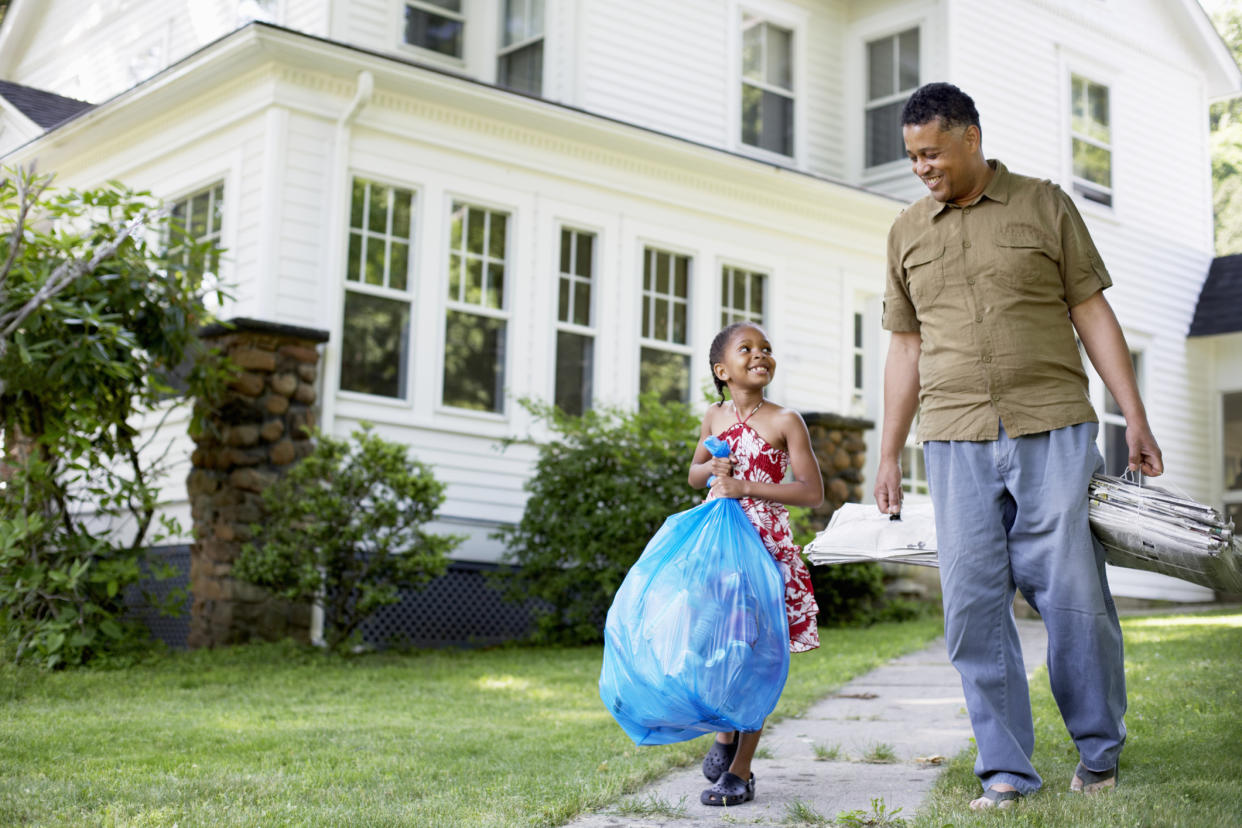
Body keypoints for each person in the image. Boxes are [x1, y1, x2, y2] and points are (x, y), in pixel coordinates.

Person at [874, 82, 1163, 810]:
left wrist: (1136, 417)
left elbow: (1091, 310)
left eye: (932, 152)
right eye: (911, 156)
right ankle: (1005, 768)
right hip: (954, 436)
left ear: (971, 137)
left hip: (1053, 426)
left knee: (1071, 598)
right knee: (971, 607)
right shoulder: (906, 231)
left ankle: (1098, 753)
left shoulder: (1044, 204)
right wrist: (888, 452)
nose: (922, 167)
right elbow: (904, 349)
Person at [687, 320, 824, 807]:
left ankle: (740, 772)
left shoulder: (785, 420)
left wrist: (745, 485)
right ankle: (726, 734)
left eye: (766, 348)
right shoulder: (714, 416)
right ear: (723, 370)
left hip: (764, 547)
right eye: (747, 349)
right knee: (719, 645)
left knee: (757, 654)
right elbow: (693, 473)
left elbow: (811, 491)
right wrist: (713, 470)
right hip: (720, 545)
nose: (760, 354)